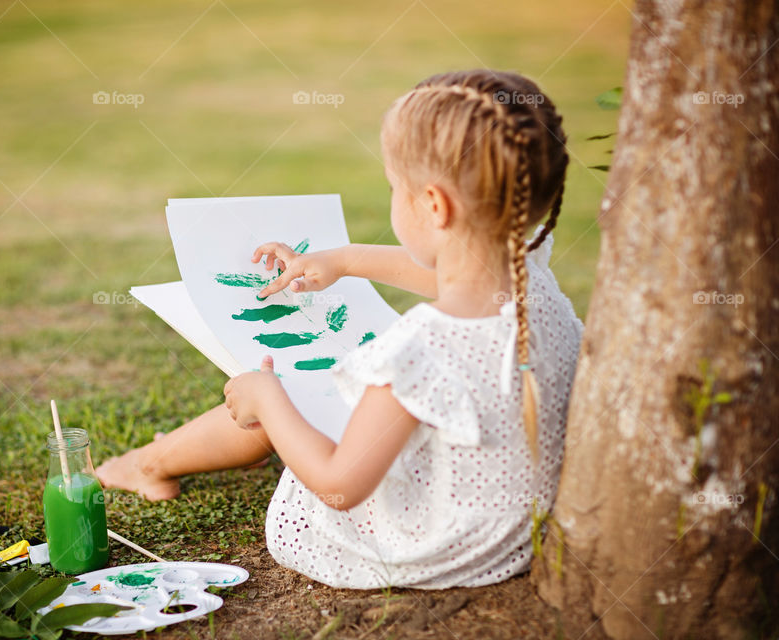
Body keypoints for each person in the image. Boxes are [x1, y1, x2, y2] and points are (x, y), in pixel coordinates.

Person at [98, 69, 583, 589]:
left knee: (283, 403)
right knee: (302, 400)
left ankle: (149, 464)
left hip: (427, 544)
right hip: (506, 532)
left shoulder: (421, 348)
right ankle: (157, 459)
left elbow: (339, 485)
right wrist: (345, 260)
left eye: (396, 186)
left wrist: (269, 400)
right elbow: (451, 269)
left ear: (434, 204)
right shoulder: (531, 280)